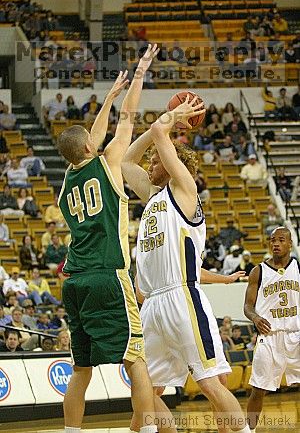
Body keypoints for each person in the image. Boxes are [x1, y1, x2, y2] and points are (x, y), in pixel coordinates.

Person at [122, 97, 251, 433]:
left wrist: (171, 119)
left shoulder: (185, 191)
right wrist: (158, 133)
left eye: (156, 160)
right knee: (144, 389)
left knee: (211, 383)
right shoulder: (153, 196)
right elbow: (125, 161)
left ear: (173, 162)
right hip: (152, 304)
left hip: (182, 299)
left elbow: (159, 132)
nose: (150, 163)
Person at [57, 44, 160, 433]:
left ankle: (71, 432)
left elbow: (89, 139)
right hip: (108, 276)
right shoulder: (110, 161)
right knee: (136, 360)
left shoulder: (68, 177)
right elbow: (128, 121)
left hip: (76, 281)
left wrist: (107, 100)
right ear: (90, 147)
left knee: (81, 369)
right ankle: (148, 429)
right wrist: (137, 77)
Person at [244, 227, 300, 433]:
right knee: (258, 389)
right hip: (269, 336)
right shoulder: (258, 271)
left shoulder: (298, 267)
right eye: (272, 240)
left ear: (290, 244)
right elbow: (248, 306)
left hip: (296, 333)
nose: (275, 243)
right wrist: (255, 317)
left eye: (281, 240)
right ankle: (249, 430)